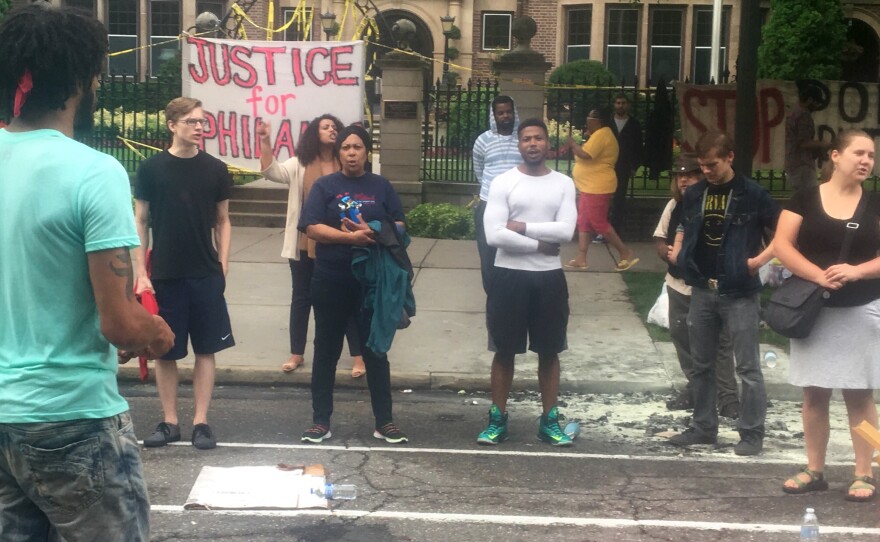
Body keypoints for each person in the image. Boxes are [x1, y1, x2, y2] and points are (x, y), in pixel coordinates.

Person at [0, 4, 174, 540]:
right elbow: (120, 324)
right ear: (80, 80)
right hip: (70, 416)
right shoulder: (94, 172)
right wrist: (158, 336)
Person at [776, 129, 880, 502]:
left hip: (862, 308)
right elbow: (782, 246)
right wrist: (817, 274)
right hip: (813, 311)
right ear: (835, 156)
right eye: (859, 153)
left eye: (871, 155)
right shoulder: (804, 198)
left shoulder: (876, 204)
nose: (867, 160)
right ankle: (814, 469)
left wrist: (857, 271)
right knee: (814, 394)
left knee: (860, 397)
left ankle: (865, 471)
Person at [668, 131, 778, 456]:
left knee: (747, 367)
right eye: (702, 166)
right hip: (703, 287)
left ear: (730, 157)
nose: (707, 171)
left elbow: (784, 229)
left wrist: (759, 260)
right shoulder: (696, 193)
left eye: (712, 164)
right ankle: (704, 428)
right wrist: (681, 254)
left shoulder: (752, 194)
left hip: (740, 291)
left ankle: (751, 433)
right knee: (701, 364)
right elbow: (686, 227)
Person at [298, 124, 409, 444]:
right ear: (339, 152)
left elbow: (399, 224)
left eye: (357, 147)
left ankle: (384, 421)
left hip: (371, 283)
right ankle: (320, 421)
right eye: (345, 147)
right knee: (326, 351)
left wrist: (373, 229)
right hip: (331, 279)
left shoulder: (381, 186)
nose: (351, 153)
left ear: (367, 152)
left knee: (375, 350)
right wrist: (349, 237)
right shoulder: (324, 186)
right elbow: (311, 227)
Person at [134, 97, 234, 451]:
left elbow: (223, 221)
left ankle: (201, 423)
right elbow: (140, 221)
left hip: (205, 273)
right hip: (164, 272)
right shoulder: (150, 169)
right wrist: (140, 273)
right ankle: (170, 421)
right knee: (166, 351)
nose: (199, 128)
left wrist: (223, 265)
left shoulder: (216, 169)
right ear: (172, 125)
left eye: (202, 122)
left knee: (207, 349)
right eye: (192, 122)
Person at [477, 118, 578, 447]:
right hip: (508, 277)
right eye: (526, 139)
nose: (532, 144)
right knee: (504, 350)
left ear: (548, 143)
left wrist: (520, 227)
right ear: (518, 145)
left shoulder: (563, 183)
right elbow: (494, 235)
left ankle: (549, 422)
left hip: (548, 278)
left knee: (549, 351)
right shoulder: (503, 182)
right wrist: (539, 243)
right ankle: (497, 421)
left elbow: (566, 231)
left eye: (538, 138)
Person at [258, 115, 366, 379]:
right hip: (305, 243)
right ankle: (297, 353)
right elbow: (272, 171)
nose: (331, 130)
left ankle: (358, 357)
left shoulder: (346, 163)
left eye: (335, 127)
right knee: (302, 297)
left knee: (348, 299)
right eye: (325, 127)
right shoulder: (300, 163)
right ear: (314, 134)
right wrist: (264, 139)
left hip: (341, 243)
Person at [652, 154, 739, 419]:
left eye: (690, 174)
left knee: (720, 344)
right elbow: (659, 238)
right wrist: (665, 252)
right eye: (680, 175)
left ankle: (728, 398)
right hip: (678, 284)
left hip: (712, 287)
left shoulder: (720, 204)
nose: (684, 180)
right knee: (683, 339)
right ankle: (696, 389)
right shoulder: (673, 206)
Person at [566, 106, 639, 271]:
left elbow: (585, 155)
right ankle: (581, 257)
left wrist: (572, 144)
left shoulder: (603, 134)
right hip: (589, 186)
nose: (587, 120)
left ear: (597, 120)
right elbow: (585, 155)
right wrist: (582, 144)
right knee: (584, 221)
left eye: (589, 117)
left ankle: (625, 252)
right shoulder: (598, 135)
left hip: (597, 187)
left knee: (598, 222)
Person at [472, 95, 521, 293]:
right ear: (494, 115)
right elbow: (479, 170)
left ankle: (514, 293)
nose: (505, 116)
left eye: (508, 111)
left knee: (516, 252)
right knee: (488, 253)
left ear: (514, 112)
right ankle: (493, 294)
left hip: (518, 207)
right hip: (488, 205)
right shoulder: (483, 140)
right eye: (500, 112)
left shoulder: (523, 139)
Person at [785, 82, 829, 192]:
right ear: (809, 100)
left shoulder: (794, 112)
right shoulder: (804, 115)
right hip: (802, 165)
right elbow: (803, 143)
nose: (817, 106)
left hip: (793, 163)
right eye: (816, 102)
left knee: (802, 199)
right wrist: (823, 144)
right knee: (810, 198)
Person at [610, 93, 644, 232]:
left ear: (627, 105)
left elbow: (638, 146)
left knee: (619, 196)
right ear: (614, 104)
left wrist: (634, 166)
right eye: (618, 103)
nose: (620, 105)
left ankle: (616, 227)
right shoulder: (608, 123)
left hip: (624, 165)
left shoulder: (634, 124)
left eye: (623, 103)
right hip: (608, 164)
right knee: (605, 195)